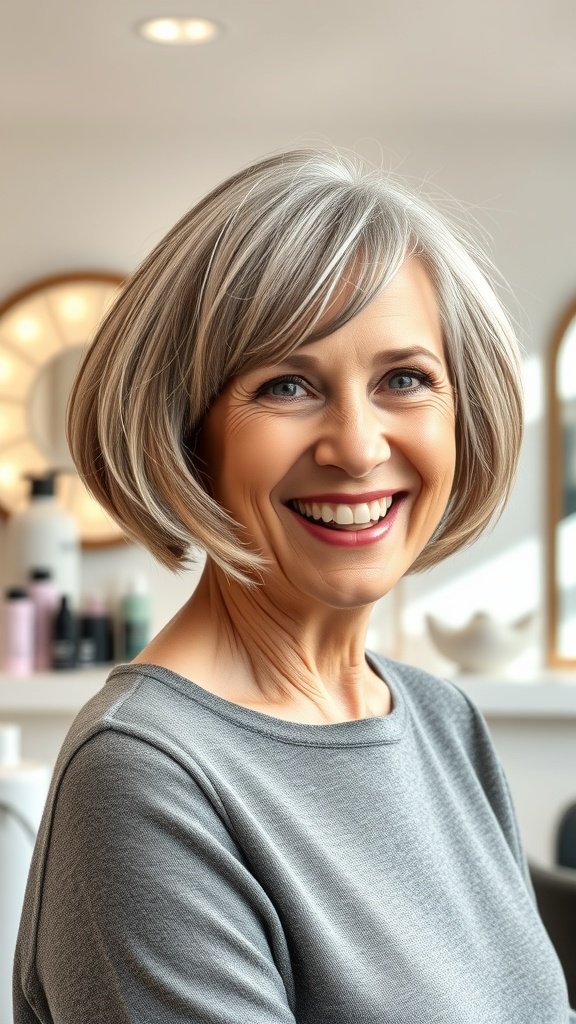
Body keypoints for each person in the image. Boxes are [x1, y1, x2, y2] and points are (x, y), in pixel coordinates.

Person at [13, 149, 575, 1024]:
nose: (357, 447)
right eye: (287, 385)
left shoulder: (441, 721)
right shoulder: (147, 774)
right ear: (185, 431)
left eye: (404, 379)